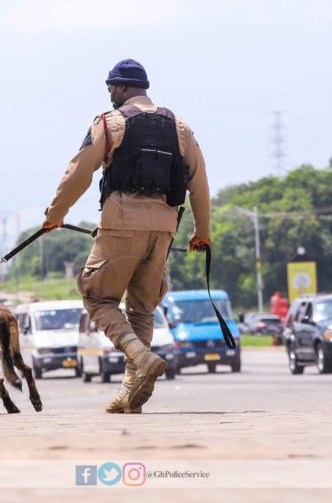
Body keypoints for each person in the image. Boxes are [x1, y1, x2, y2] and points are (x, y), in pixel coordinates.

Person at [43, 59, 212, 414]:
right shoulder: (180, 126)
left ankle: (138, 355)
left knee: (98, 298)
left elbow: (79, 171)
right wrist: (202, 233)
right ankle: (129, 392)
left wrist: (55, 215)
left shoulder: (109, 122)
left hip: (121, 222)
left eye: (111, 90)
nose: (110, 96)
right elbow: (199, 182)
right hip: (165, 227)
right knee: (143, 308)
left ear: (120, 88)